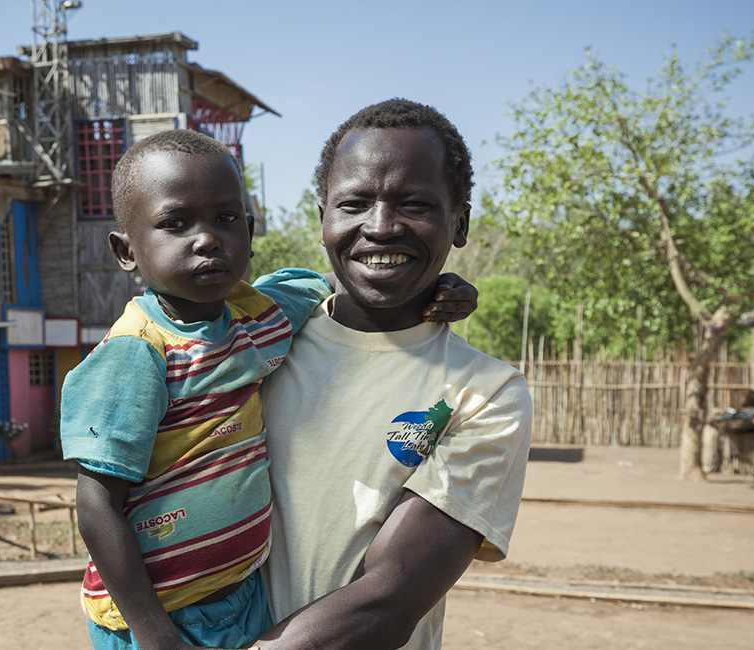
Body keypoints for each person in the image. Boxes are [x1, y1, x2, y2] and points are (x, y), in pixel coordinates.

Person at [58, 129, 478, 650]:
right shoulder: (137, 353)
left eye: (226, 218)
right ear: (126, 251)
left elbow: (358, 271)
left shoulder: (264, 314)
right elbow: (96, 504)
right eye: (174, 223)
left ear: (250, 230)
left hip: (243, 595)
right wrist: (154, 634)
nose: (207, 238)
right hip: (157, 614)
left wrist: (440, 287)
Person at [253, 99, 533, 649]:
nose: (380, 227)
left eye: (414, 204)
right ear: (323, 220)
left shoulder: (485, 394)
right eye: (354, 203)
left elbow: (389, 598)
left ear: (460, 223)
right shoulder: (258, 341)